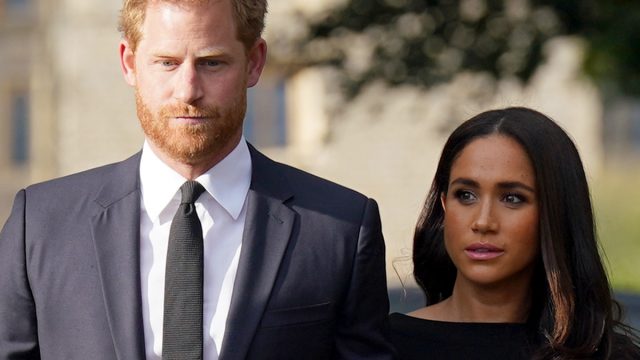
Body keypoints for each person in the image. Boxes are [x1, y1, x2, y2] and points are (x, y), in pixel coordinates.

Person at [0, 1, 394, 359]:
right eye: (167, 63)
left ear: (255, 63)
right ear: (129, 64)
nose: (188, 90)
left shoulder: (339, 228)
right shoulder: (40, 225)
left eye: (211, 62)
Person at [390, 107, 640, 359]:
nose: (483, 221)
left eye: (512, 198)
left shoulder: (607, 354)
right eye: (465, 195)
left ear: (555, 212)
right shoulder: (382, 347)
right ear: (444, 204)